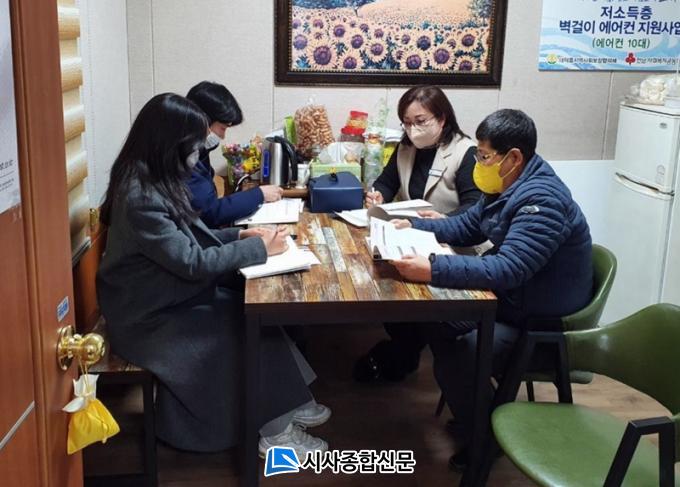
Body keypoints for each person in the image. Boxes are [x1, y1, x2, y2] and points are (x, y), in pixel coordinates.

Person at [96, 93, 331, 457]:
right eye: (194, 146)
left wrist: (241, 236)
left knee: (258, 319)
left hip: (165, 296)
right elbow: (193, 261)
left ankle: (287, 404)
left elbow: (189, 240)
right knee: (245, 329)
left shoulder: (152, 178)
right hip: (146, 316)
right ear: (170, 143)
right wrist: (259, 249)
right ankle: (276, 432)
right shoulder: (141, 195)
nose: (198, 154)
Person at [390, 109, 593, 471]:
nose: (479, 164)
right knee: (434, 320)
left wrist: (433, 268)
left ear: (513, 157)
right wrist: (412, 227)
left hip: (540, 324)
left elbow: (507, 269)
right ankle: (479, 411)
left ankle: (486, 440)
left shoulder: (542, 200)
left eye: (484, 157)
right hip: (514, 303)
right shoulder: (507, 184)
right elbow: (466, 227)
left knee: (460, 352)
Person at [354, 85, 483, 383]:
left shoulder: (466, 152)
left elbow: (475, 208)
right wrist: (377, 195)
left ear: (442, 118)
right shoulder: (406, 148)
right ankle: (406, 346)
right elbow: (387, 182)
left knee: (408, 295)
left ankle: (408, 349)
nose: (413, 130)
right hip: (413, 239)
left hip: (453, 247)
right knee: (382, 282)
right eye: (407, 123)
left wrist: (445, 220)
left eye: (421, 121)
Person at [186, 81, 283, 228]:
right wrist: (259, 195)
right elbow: (209, 213)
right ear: (202, 120)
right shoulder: (185, 158)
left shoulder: (199, 152)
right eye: (223, 128)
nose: (223, 136)